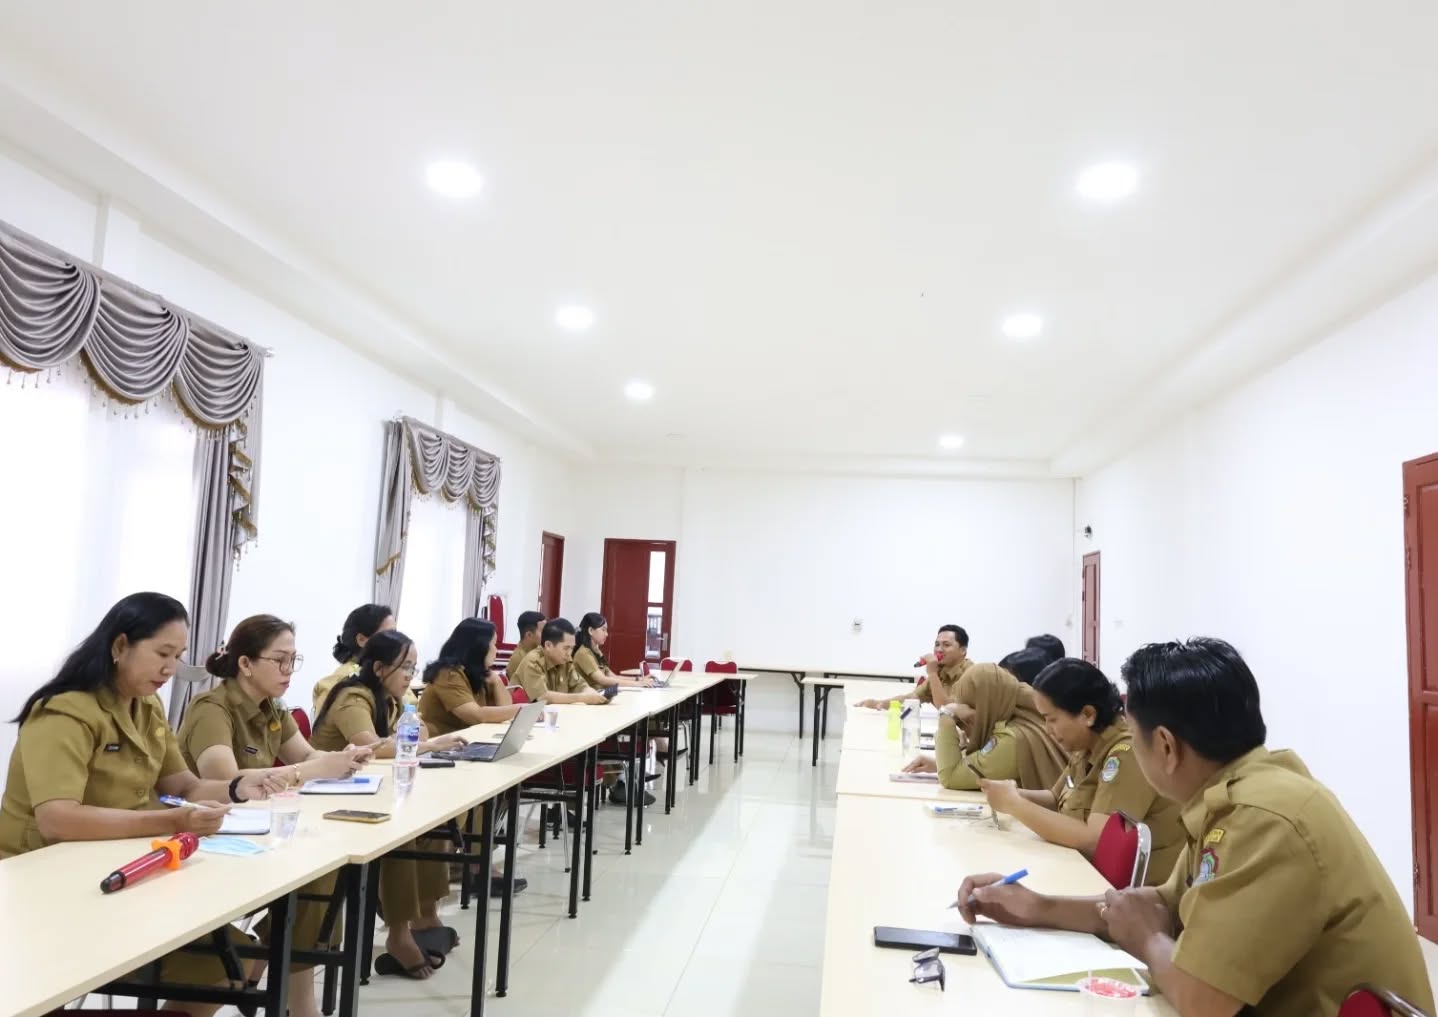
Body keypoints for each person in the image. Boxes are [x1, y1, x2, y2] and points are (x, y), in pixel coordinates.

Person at [956, 639, 1436, 1017]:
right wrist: (1038, 907)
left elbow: (1204, 1000)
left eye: (1135, 734)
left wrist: (1146, 939)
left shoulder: (1263, 817)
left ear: (1165, 746)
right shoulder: (1237, 791)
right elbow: (1163, 907)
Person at [0, 592, 287, 1017]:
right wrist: (172, 821)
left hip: (122, 870)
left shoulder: (147, 706)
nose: (171, 668)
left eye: (178, 656)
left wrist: (238, 787)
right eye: (162, 654)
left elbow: (183, 784)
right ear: (120, 646)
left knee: (233, 961)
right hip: (46, 885)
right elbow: (58, 819)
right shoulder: (65, 712)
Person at [177, 614, 373, 1017]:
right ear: (245, 664)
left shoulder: (273, 707)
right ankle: (277, 982)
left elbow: (307, 755)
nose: (288, 670)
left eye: (293, 661)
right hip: (212, 837)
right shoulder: (212, 708)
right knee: (308, 877)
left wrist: (343, 759)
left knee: (322, 873)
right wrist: (308, 771)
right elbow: (226, 780)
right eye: (280, 660)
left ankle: (293, 996)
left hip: (256, 831)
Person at [311, 630, 467, 980]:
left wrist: (419, 735)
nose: (410, 675)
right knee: (401, 834)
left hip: (368, 790)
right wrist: (426, 744)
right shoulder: (353, 697)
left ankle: (425, 918)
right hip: (329, 800)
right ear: (379, 668)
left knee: (434, 825)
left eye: (413, 667)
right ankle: (399, 934)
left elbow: (414, 733)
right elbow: (373, 747)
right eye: (405, 667)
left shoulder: (391, 698)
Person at [974, 658, 1183, 884]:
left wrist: (1015, 805)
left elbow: (1096, 840)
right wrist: (1011, 793)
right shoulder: (1085, 744)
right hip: (1080, 868)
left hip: (1126, 889)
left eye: (1052, 719)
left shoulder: (1125, 753)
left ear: (1088, 714)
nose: (1048, 730)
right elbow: (1054, 797)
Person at [902, 662, 1065, 791]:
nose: (964, 720)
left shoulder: (1013, 739)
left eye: (969, 705)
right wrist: (939, 765)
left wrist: (946, 713)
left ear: (986, 705)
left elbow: (950, 778)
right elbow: (985, 762)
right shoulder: (1017, 719)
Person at [419, 618, 522, 733]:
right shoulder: (448, 674)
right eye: (493, 644)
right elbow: (475, 716)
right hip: (440, 741)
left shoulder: (479, 673)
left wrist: (497, 681)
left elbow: (505, 711)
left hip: (467, 738)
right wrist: (520, 709)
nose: (496, 650)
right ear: (479, 646)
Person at [856, 625, 971, 709]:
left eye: (946, 645)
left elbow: (947, 709)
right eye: (937, 644)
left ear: (963, 650)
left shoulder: (970, 674)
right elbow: (913, 698)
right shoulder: (941, 671)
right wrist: (877, 703)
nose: (939, 650)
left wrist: (932, 673)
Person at [313, 603, 395, 716]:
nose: (397, 642)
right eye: (389, 636)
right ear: (361, 640)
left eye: (396, 634)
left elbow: (411, 709)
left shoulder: (386, 673)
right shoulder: (342, 680)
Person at [513, 619, 608, 705]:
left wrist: (595, 695)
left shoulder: (565, 660)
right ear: (548, 645)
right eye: (566, 648)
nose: (569, 653)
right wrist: (583, 698)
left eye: (572, 648)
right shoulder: (533, 661)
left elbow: (580, 685)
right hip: (525, 716)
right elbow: (543, 696)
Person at [572, 613, 654, 690]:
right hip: (590, 697)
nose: (606, 634)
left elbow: (613, 676)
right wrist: (638, 684)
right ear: (590, 630)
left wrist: (639, 679)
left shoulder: (596, 651)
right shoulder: (583, 653)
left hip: (599, 694)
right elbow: (603, 680)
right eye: (603, 630)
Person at [503, 610, 546, 683]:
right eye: (543, 631)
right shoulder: (521, 660)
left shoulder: (537, 650)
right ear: (529, 635)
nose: (547, 634)